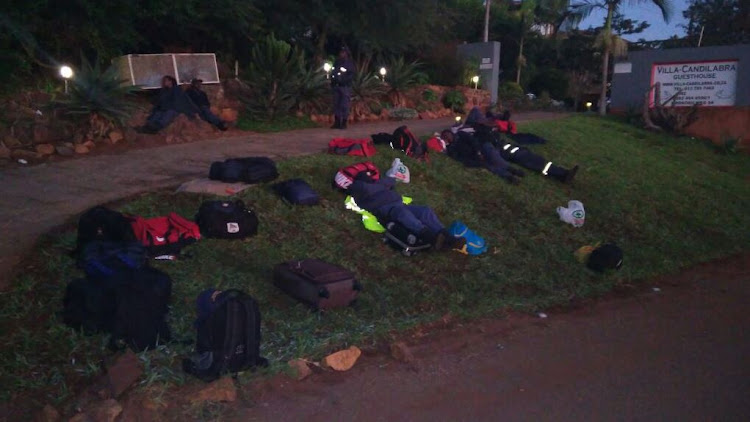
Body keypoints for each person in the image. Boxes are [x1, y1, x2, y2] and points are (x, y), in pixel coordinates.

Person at [348, 173, 466, 251]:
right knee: (404, 215)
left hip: (399, 204)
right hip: (388, 210)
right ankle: (431, 238)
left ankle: (447, 237)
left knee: (425, 211)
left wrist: (380, 182)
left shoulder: (377, 185)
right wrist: (379, 183)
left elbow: (391, 181)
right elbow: (385, 182)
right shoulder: (361, 191)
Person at [330, 46, 356, 129]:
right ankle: (337, 122)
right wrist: (333, 81)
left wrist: (343, 81)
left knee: (344, 105)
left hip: (345, 87)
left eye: (343, 52)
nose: (341, 53)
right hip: (336, 86)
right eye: (341, 52)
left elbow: (351, 75)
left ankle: (344, 123)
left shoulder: (349, 63)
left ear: (346, 53)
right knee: (336, 104)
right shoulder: (337, 62)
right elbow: (333, 72)